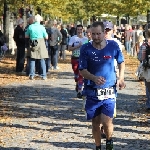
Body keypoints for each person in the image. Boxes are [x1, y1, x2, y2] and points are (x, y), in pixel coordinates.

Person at [79, 21, 125, 150]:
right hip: (92, 90)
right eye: (93, 34)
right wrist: (93, 78)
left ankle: (109, 141)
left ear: (104, 33)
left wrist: (121, 78)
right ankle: (98, 146)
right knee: (95, 123)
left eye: (98, 34)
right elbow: (82, 70)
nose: (96, 37)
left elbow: (121, 62)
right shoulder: (85, 48)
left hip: (109, 89)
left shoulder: (113, 45)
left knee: (106, 121)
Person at [25, 14, 49, 80]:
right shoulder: (42, 27)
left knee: (32, 59)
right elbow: (46, 37)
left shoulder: (30, 27)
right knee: (42, 59)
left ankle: (31, 75)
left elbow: (26, 36)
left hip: (33, 42)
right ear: (40, 20)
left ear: (34, 20)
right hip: (41, 42)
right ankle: (43, 75)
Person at [68, 24, 88, 98]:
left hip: (82, 59)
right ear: (76, 30)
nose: (79, 31)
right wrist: (77, 46)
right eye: (78, 30)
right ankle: (77, 83)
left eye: (81, 29)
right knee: (76, 75)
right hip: (74, 58)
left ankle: (79, 91)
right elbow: (69, 49)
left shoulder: (86, 39)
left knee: (81, 75)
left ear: (83, 30)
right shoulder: (73, 38)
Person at [137, 23, 150, 111]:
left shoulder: (145, 44)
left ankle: (149, 104)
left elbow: (140, 57)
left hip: (148, 69)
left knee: (148, 87)